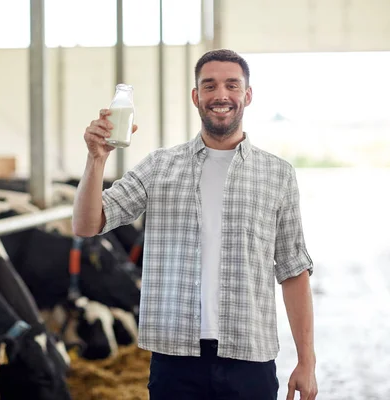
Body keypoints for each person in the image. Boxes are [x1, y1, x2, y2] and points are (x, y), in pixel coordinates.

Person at [72, 49, 318, 400]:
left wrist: (306, 362)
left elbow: (294, 271)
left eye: (232, 85)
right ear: (196, 96)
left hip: (250, 355)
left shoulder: (277, 174)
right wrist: (96, 160)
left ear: (247, 96)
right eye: (210, 86)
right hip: (175, 357)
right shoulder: (159, 166)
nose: (221, 95)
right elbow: (86, 224)